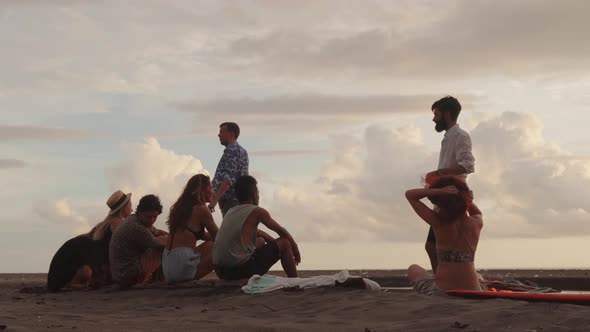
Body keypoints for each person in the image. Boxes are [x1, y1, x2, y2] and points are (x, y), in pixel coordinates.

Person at [406, 176, 485, 295]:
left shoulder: (439, 223)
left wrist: (440, 191)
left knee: (413, 268)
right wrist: (465, 196)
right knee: (478, 275)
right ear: (466, 200)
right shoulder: (476, 223)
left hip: (442, 290)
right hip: (474, 289)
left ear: (439, 203)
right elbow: (478, 212)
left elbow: (410, 195)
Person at [213, 175, 301, 280]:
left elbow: (259, 233)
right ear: (254, 195)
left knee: (260, 241)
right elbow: (281, 231)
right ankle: (294, 282)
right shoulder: (257, 211)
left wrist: (274, 246)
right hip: (239, 271)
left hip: (221, 272)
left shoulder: (230, 212)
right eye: (258, 193)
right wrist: (294, 248)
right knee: (285, 243)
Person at [424, 96, 475, 273]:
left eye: (436, 114)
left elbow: (468, 165)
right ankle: (444, 278)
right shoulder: (448, 138)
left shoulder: (460, 136)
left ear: (446, 114)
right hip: (444, 196)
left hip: (453, 198)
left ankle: (444, 280)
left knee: (434, 245)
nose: (433, 119)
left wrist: (438, 174)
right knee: (436, 244)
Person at [46, 190, 133, 291]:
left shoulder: (105, 224)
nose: (131, 210)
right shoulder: (117, 223)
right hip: (70, 269)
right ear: (123, 208)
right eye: (130, 205)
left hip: (60, 271)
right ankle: (72, 284)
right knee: (88, 273)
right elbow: (125, 243)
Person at [163, 174, 219, 283]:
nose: (213, 191)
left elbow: (204, 236)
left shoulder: (180, 209)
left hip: (168, 264)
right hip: (180, 266)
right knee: (218, 247)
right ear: (202, 190)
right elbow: (219, 237)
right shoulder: (202, 209)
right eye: (211, 187)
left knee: (209, 245)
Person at [109, 195, 168, 287]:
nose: (152, 220)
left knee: (163, 243)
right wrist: (178, 239)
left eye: (155, 217)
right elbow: (159, 243)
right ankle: (161, 280)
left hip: (120, 273)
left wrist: (173, 235)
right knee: (162, 249)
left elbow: (157, 232)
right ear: (140, 212)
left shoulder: (136, 219)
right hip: (125, 274)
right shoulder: (136, 227)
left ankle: (158, 279)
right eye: (149, 217)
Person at [208, 122, 249, 216]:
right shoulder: (242, 151)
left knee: (231, 229)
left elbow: (228, 179)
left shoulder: (232, 150)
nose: (219, 135)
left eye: (222, 132)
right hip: (238, 200)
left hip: (231, 201)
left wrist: (214, 201)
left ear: (231, 134)